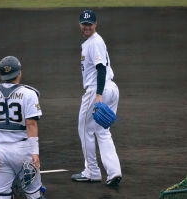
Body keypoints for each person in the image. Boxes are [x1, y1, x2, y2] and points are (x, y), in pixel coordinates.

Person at [0, 56, 45, 199]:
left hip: (0, 151)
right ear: (19, 73)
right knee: (34, 194)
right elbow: (31, 124)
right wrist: (35, 153)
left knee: (2, 194)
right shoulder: (29, 94)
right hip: (24, 152)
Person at [71, 10, 122, 186]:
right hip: (111, 88)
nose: (87, 27)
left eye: (90, 24)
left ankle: (91, 172)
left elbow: (101, 69)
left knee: (85, 130)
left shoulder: (94, 42)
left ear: (96, 24)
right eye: (84, 24)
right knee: (102, 131)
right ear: (80, 24)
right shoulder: (92, 42)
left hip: (98, 90)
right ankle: (114, 172)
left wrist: (98, 95)